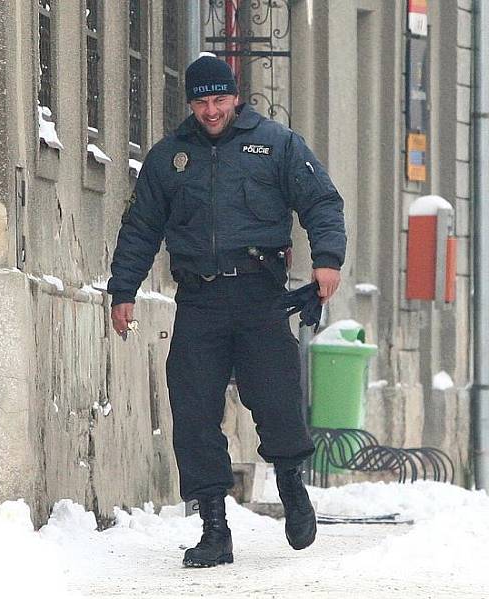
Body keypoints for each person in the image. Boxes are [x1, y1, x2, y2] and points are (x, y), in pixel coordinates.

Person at [107, 55, 346, 568]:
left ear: (236, 98)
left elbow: (322, 202)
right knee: (193, 411)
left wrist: (327, 260)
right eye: (201, 101)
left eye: (219, 100)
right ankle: (214, 527)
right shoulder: (170, 157)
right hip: (199, 299)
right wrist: (123, 289)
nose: (211, 111)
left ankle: (290, 483)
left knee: (276, 399)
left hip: (260, 296)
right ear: (190, 103)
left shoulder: (277, 145)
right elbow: (141, 227)